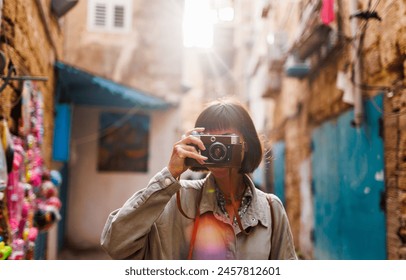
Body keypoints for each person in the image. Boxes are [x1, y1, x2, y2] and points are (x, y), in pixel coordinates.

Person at [100, 98, 297, 260]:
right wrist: (170, 174)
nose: (217, 149)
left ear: (245, 144)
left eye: (226, 139)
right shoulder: (174, 199)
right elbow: (115, 244)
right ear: (195, 143)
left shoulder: (271, 210)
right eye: (210, 141)